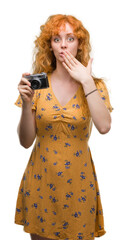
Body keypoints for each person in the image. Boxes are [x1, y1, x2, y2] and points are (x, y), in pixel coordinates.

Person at [14, 14, 113, 240]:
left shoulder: (95, 85)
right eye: (57, 39)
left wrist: (86, 81)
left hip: (79, 184)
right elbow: (25, 141)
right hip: (42, 182)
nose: (64, 44)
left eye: (70, 38)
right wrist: (27, 102)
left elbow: (105, 126)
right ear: (49, 45)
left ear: (79, 44)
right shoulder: (37, 83)